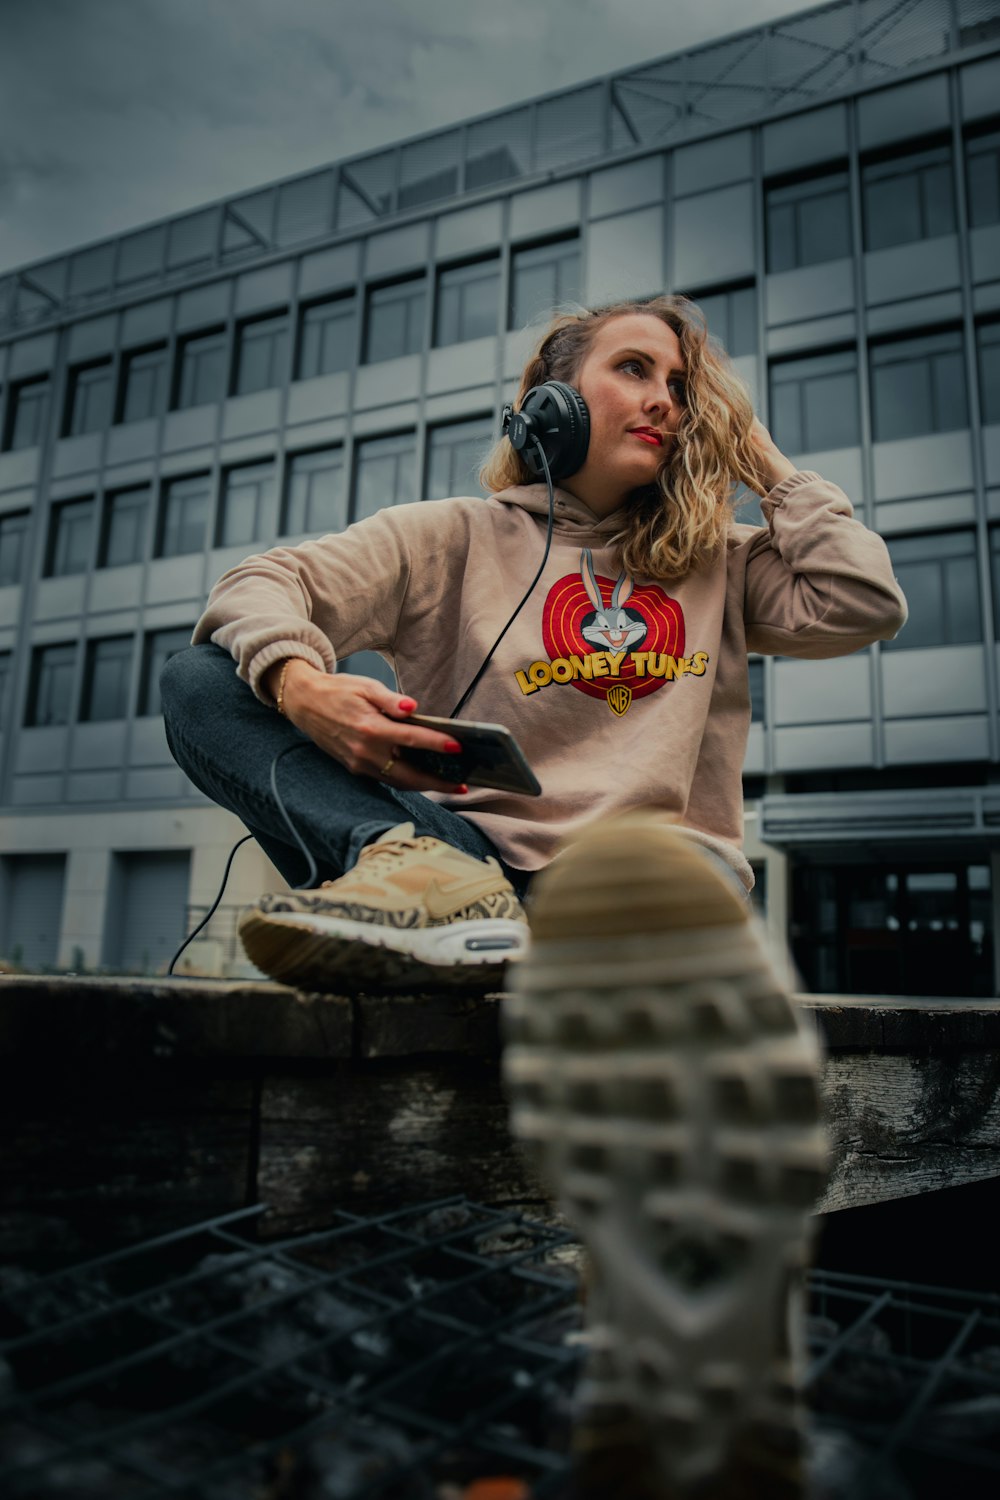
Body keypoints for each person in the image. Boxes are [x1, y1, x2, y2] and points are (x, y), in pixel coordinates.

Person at [161, 293, 907, 1497]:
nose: (665, 398)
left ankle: (677, 1327)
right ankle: (433, 885)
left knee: (643, 882)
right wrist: (307, 687)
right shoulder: (453, 534)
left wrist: (754, 449)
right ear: (550, 400)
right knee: (202, 679)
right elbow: (264, 581)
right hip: (456, 848)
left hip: (637, 881)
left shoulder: (717, 561)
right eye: (633, 369)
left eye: (682, 382)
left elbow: (860, 602)